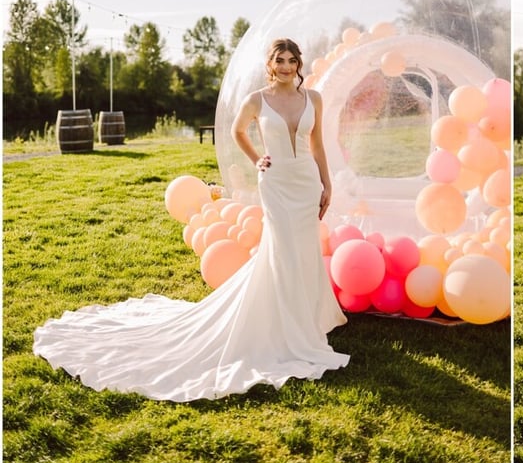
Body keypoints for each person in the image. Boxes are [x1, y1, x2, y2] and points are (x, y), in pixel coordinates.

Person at [33, 38, 349, 402]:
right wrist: (256, 158)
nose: (286, 67)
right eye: (280, 60)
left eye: (292, 60)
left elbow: (318, 145)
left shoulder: (314, 99)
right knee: (282, 250)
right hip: (276, 184)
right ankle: (285, 327)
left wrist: (327, 184)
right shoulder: (257, 100)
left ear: (298, 64)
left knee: (305, 247)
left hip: (306, 182)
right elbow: (237, 131)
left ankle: (307, 318)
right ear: (270, 64)